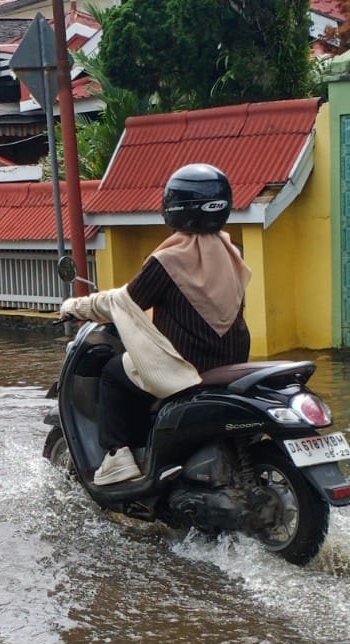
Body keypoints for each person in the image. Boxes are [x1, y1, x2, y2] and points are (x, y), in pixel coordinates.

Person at [59, 163, 253, 486]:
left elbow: (122, 302)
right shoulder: (232, 253)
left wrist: (74, 306)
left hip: (187, 366)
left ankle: (117, 457)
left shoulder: (169, 260)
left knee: (111, 373)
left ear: (174, 210)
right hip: (229, 364)